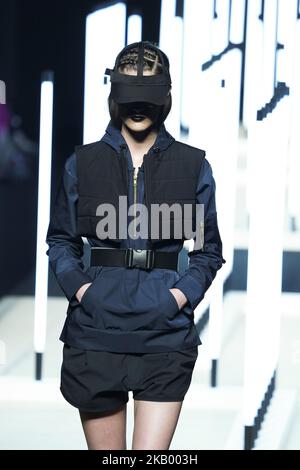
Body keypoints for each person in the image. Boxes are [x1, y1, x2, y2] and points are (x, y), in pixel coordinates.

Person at [46, 41, 226, 450]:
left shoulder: (192, 165)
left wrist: (178, 298)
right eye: (130, 96)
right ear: (114, 96)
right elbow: (61, 240)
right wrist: (84, 291)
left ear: (166, 97)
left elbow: (207, 251)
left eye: (148, 96)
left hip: (165, 332)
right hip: (95, 329)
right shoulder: (83, 163)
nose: (138, 107)